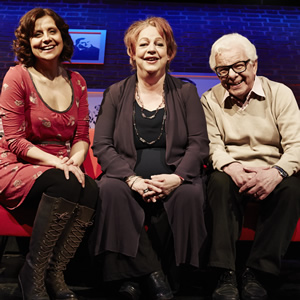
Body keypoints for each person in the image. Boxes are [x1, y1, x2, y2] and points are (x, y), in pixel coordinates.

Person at [90, 16, 209, 300]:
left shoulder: (186, 91)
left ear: (170, 52)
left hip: (175, 174)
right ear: (132, 53)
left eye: (159, 43)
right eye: (143, 44)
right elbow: (103, 145)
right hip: (126, 175)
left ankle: (142, 280)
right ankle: (153, 277)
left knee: (189, 195)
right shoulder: (115, 93)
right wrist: (131, 179)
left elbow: (198, 143)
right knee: (109, 189)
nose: (151, 49)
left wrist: (178, 177)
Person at [0, 8, 98, 300]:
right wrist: (58, 163)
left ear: (62, 36)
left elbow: (81, 136)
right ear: (27, 42)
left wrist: (74, 161)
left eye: (51, 31)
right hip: (16, 164)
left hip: (59, 166)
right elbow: (14, 140)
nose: (45, 39)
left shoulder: (77, 81)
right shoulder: (17, 76)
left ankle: (54, 273)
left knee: (90, 187)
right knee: (65, 182)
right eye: (37, 34)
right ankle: (32, 274)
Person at [201, 33, 300, 300]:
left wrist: (276, 173)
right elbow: (211, 146)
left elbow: (297, 145)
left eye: (238, 66)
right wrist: (231, 167)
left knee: (293, 188)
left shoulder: (280, 93)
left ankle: (258, 273)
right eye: (222, 69)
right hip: (232, 171)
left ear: (254, 64)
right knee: (217, 182)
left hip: (272, 169)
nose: (231, 75)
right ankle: (225, 273)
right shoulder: (209, 100)